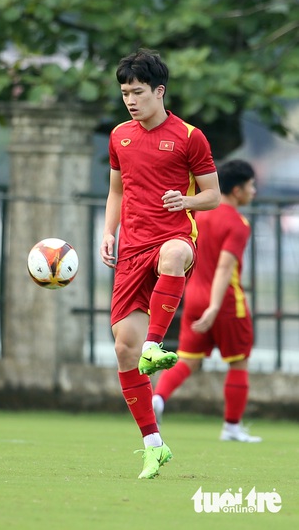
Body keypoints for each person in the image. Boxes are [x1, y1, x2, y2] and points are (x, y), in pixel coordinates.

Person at [100, 49, 221, 479]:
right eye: (124, 93)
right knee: (122, 350)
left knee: (174, 255)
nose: (130, 100)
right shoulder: (119, 136)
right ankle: (155, 446)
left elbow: (214, 195)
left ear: (159, 91)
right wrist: (109, 230)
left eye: (137, 92)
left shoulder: (189, 137)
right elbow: (117, 190)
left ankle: (156, 342)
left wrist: (185, 200)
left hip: (174, 237)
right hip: (131, 249)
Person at [153, 159, 261, 442]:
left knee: (187, 360)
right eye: (251, 186)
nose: (254, 191)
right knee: (238, 363)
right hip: (224, 303)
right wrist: (215, 306)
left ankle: (159, 399)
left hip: (193, 298)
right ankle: (232, 428)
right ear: (237, 190)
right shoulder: (237, 223)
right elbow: (225, 268)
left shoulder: (198, 215)